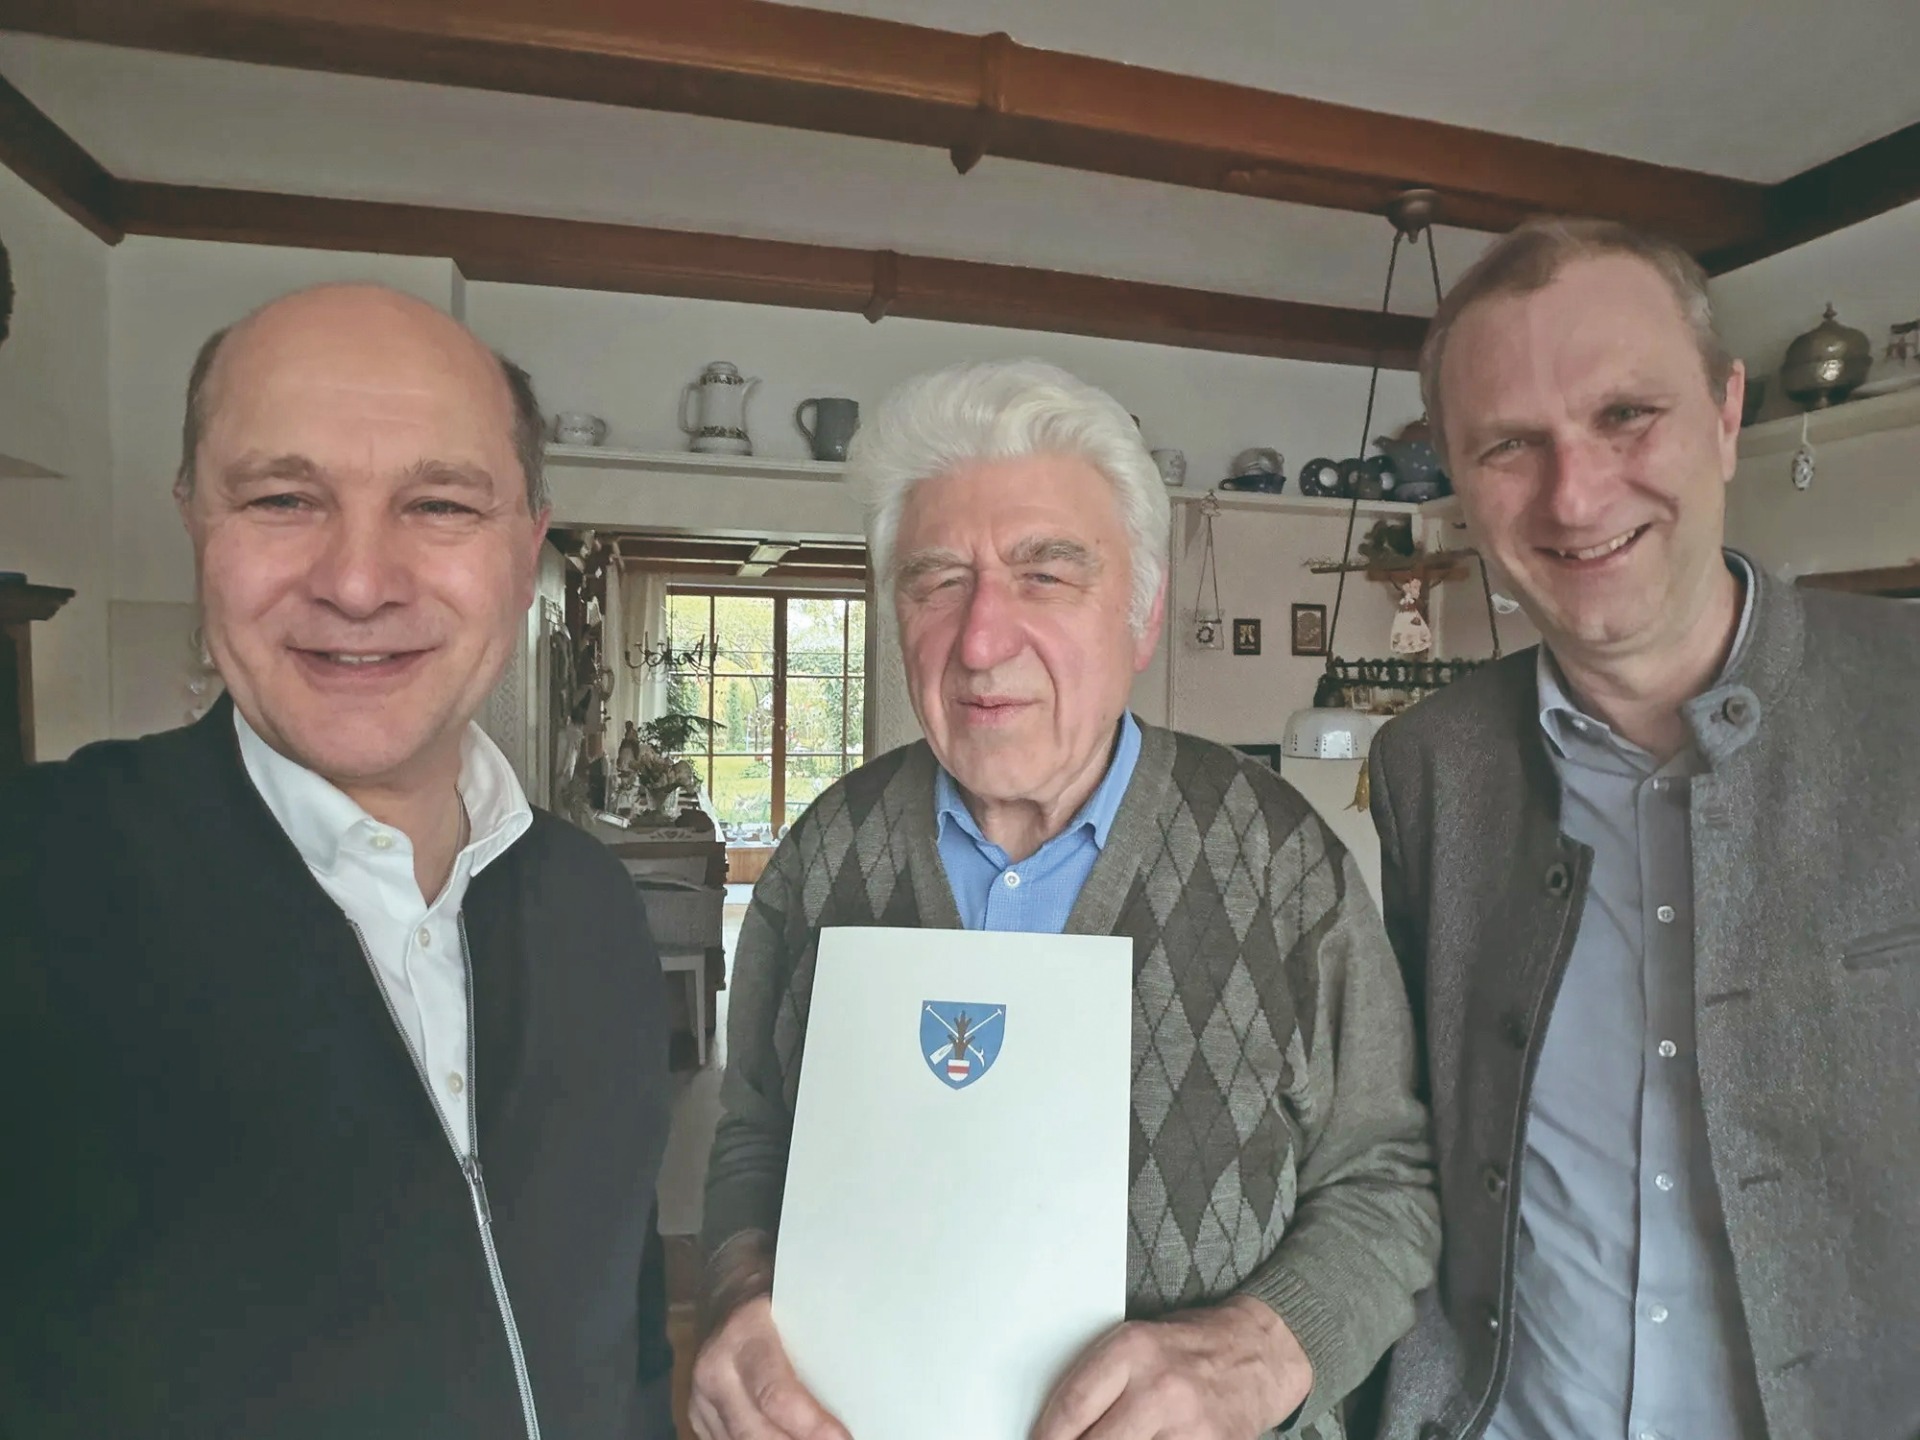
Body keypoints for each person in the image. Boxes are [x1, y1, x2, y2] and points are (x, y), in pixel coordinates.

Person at [692, 360, 1441, 1440]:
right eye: (938, 581)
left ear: (1141, 618)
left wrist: (1264, 1352)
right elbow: (756, 1139)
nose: (981, 640)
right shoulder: (825, 855)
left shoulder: (1282, 862)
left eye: (1045, 575)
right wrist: (736, 1291)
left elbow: (1386, 1179)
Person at [0, 285, 675, 1438]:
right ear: (194, 522)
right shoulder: (32, 884)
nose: (358, 582)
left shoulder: (591, 903)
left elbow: (628, 1328)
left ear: (526, 552)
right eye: (281, 498)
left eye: (439, 504)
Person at [1367, 219, 1920, 1440]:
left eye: (1626, 415)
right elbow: (1407, 1133)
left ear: (1726, 414)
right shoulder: (1430, 767)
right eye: (1510, 444)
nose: (1574, 495)